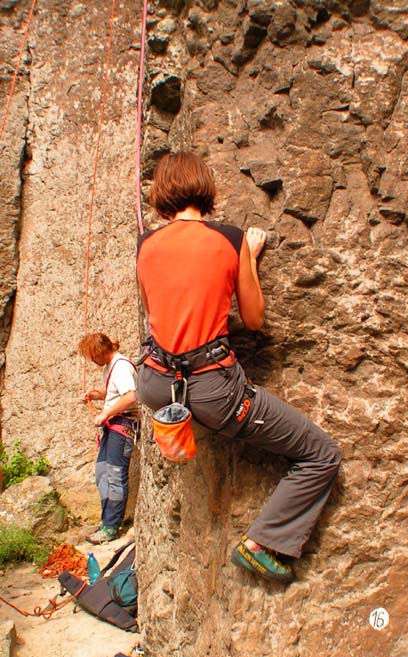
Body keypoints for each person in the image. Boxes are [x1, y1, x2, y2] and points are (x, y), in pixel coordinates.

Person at [136, 151, 341, 584]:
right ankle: (265, 542)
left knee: (177, 394)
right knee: (321, 455)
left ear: (162, 192)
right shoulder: (229, 239)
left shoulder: (145, 245)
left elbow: (161, 308)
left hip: (154, 382)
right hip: (213, 390)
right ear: (205, 187)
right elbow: (253, 319)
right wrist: (247, 255)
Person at [79, 333, 140, 545]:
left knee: (114, 475)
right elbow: (116, 392)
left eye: (92, 356)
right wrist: (98, 395)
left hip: (122, 426)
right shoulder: (111, 366)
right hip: (112, 427)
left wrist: (105, 414)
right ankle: (107, 521)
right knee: (102, 473)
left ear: (100, 351)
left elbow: (131, 396)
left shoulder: (122, 366)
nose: (92, 361)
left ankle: (111, 527)